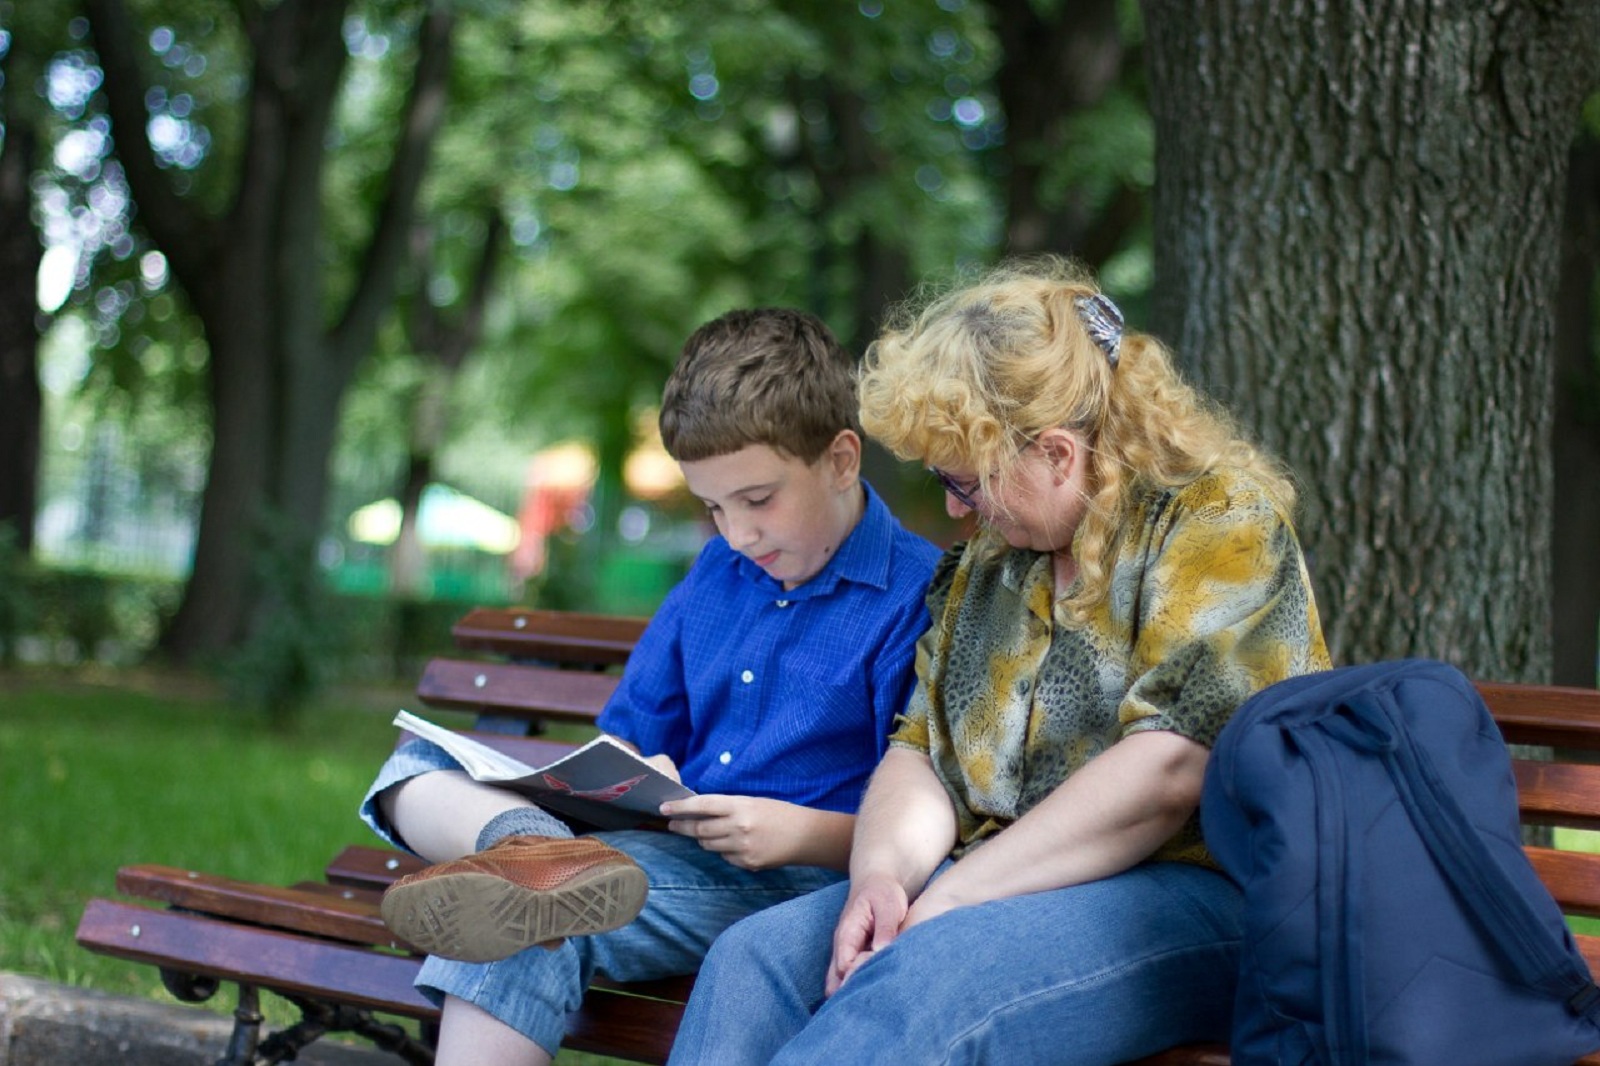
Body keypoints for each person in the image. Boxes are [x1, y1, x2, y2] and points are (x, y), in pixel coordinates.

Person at [667, 258, 1332, 1066]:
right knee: (754, 962)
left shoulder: (1217, 523)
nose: (953, 507)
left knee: (931, 981)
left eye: (965, 480)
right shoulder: (994, 559)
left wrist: (953, 895)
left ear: (1056, 453)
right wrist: (881, 878)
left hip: (1199, 897)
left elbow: (1165, 773)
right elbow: (921, 751)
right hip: (988, 883)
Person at [360, 307, 942, 1065]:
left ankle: (536, 871)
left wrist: (795, 832)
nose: (738, 535)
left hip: (795, 884)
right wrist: (634, 775)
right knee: (413, 770)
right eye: (713, 509)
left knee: (520, 919)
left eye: (758, 500)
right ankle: (531, 846)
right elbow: (633, 733)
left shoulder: (917, 596)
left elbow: (929, 814)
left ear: (840, 459)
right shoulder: (717, 576)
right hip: (659, 852)